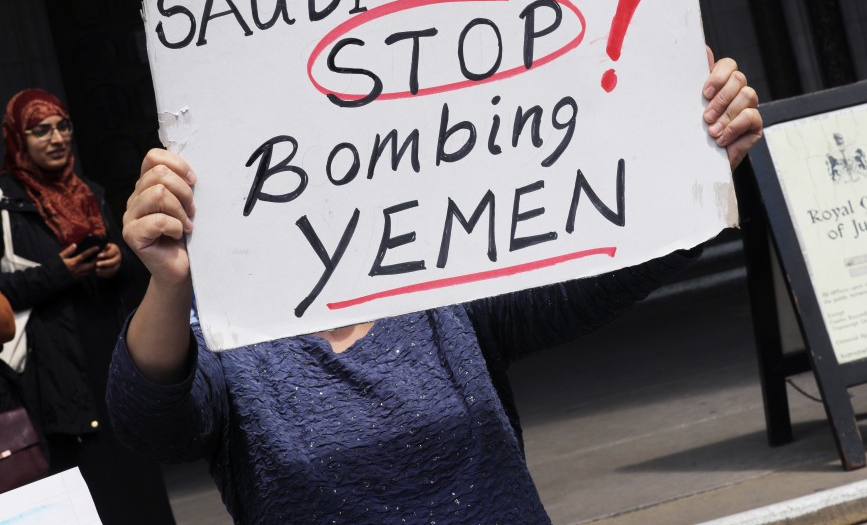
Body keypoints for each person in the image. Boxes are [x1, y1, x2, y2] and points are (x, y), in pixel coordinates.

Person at [106, 52, 762, 524]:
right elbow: (151, 424)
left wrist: (694, 168)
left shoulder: (440, 281)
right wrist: (169, 284)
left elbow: (587, 282)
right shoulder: (229, 333)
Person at [0, 89, 176, 523]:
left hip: (108, 355)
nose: (57, 138)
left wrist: (118, 261)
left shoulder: (88, 192)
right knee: (87, 493)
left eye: (63, 127)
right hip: (52, 373)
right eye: (41, 130)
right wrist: (60, 272)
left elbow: (133, 283)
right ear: (17, 139)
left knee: (137, 484)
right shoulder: (6, 205)